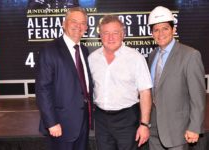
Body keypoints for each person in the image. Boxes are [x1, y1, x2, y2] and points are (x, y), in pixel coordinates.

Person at [88, 15, 153, 150]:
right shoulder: (92, 59)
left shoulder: (136, 58)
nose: (110, 37)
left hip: (127, 119)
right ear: (100, 35)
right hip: (101, 119)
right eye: (106, 33)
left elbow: (145, 92)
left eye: (115, 33)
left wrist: (144, 125)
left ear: (123, 34)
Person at [148, 6, 206, 150]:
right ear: (151, 33)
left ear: (174, 30)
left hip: (178, 132)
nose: (160, 33)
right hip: (154, 131)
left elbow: (197, 96)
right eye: (156, 30)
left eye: (165, 28)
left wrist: (194, 127)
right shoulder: (152, 56)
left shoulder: (190, 55)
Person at [35, 7, 93, 150]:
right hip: (60, 124)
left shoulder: (84, 50)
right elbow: (43, 89)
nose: (78, 26)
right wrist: (51, 122)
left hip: (83, 122)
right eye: (74, 21)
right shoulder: (50, 50)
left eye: (82, 23)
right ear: (63, 23)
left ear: (86, 27)